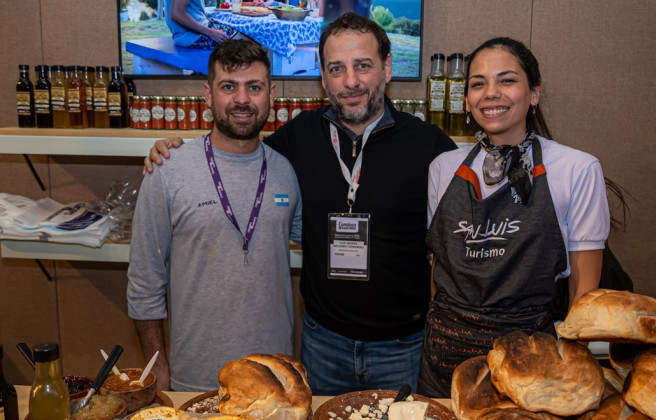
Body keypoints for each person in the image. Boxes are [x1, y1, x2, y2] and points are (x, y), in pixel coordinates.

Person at [143, 12, 457, 395]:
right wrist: (173, 151)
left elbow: (456, 251)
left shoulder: (431, 146)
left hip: (404, 347)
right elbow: (236, 148)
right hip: (323, 346)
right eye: (337, 69)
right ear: (323, 78)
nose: (351, 81)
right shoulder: (298, 137)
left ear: (387, 68)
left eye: (363, 66)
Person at [417, 37, 610, 397]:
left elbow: (585, 295)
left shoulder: (577, 169)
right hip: (443, 360)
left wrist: (570, 372)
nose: (491, 93)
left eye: (506, 80)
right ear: (466, 99)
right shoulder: (443, 167)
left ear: (534, 93)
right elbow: (439, 267)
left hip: (530, 365)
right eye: (478, 83)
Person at [127, 38, 302, 392]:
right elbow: (145, 279)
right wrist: (156, 362)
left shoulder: (285, 171)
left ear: (271, 94)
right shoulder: (168, 169)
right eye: (228, 87)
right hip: (195, 377)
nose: (242, 99)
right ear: (208, 95)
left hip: (274, 376)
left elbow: (315, 248)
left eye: (254, 87)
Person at [166, 0, 249, 49]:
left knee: (246, 35)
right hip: (191, 36)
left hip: (198, 29)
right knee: (248, 43)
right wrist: (211, 33)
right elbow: (176, 14)